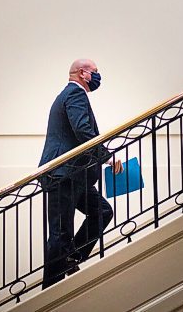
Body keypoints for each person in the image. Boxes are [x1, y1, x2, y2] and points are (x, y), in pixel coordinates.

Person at [38, 59, 123, 289]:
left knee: (102, 211)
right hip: (62, 173)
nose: (97, 76)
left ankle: (71, 257)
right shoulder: (75, 94)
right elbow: (82, 130)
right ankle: (50, 291)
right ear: (83, 73)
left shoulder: (71, 96)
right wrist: (108, 156)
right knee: (60, 232)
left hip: (75, 174)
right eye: (95, 71)